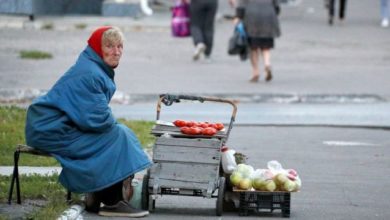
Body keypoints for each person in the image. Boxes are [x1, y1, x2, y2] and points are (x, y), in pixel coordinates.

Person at [24, 26, 152, 217]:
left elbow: (92, 116)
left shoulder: (94, 66)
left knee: (117, 135)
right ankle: (112, 202)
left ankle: (97, 192)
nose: (116, 52)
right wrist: (115, 127)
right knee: (118, 137)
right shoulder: (91, 74)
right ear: (97, 48)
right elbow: (97, 119)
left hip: (57, 125)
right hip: (50, 129)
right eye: (109, 46)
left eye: (120, 46)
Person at [235, 0, 281, 82]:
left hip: (252, 19)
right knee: (266, 47)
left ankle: (255, 72)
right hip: (268, 18)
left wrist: (238, 17)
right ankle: (267, 64)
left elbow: (241, 6)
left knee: (253, 48)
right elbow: (276, 7)